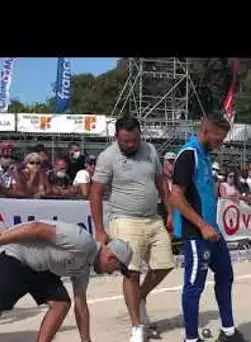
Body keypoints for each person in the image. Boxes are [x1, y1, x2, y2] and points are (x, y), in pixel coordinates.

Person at [0, 220, 132, 342]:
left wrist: (86, 340)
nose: (112, 273)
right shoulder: (82, 241)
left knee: (61, 303)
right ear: (110, 258)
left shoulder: (84, 269)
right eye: (116, 269)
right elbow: (37, 228)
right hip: (13, 255)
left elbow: (81, 306)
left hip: (38, 268)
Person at [89, 116, 174, 342]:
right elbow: (95, 192)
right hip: (123, 219)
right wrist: (99, 229)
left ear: (140, 135)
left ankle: (141, 298)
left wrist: (171, 213)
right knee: (132, 272)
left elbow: (162, 184)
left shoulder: (150, 150)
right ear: (117, 136)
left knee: (165, 265)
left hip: (153, 218)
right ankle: (137, 326)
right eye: (125, 141)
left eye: (134, 140)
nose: (130, 145)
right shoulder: (108, 157)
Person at [170, 113, 246, 342]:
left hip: (212, 231)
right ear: (205, 131)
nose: (220, 143)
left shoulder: (204, 155)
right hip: (197, 234)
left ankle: (228, 331)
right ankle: (191, 339)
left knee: (225, 276)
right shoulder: (188, 154)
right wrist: (202, 225)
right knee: (194, 286)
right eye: (218, 139)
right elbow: (176, 196)